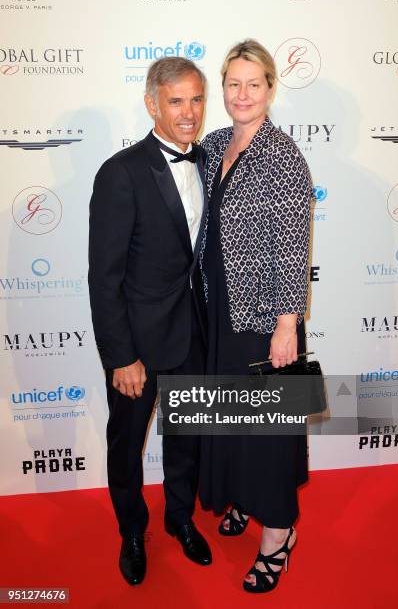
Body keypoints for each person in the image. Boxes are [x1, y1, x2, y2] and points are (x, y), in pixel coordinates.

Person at [88, 56, 212, 586]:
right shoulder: (121, 173)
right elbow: (104, 276)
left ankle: (180, 517)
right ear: (152, 104)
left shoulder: (210, 161)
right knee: (127, 442)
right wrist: (121, 356)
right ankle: (132, 531)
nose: (189, 112)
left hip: (193, 332)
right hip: (137, 343)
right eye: (177, 100)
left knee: (186, 437)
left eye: (197, 99)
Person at [198, 39, 312, 593]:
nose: (242, 94)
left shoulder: (284, 155)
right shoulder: (215, 143)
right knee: (230, 418)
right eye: (233, 84)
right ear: (223, 89)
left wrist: (286, 324)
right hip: (220, 309)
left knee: (267, 428)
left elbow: (294, 245)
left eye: (254, 84)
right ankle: (241, 494)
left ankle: (279, 536)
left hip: (265, 318)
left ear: (271, 88)